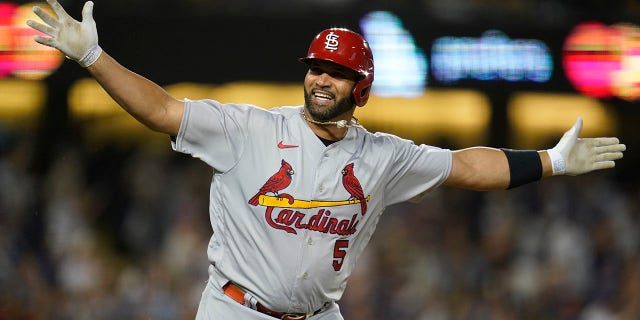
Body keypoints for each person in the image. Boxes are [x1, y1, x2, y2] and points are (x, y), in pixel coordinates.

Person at [27, 1, 626, 319]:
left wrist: (547, 161)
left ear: (359, 87)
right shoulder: (247, 129)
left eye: (337, 73)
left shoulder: (383, 157)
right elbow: (159, 111)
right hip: (236, 312)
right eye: (316, 67)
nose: (321, 79)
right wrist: (94, 57)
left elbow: (467, 167)